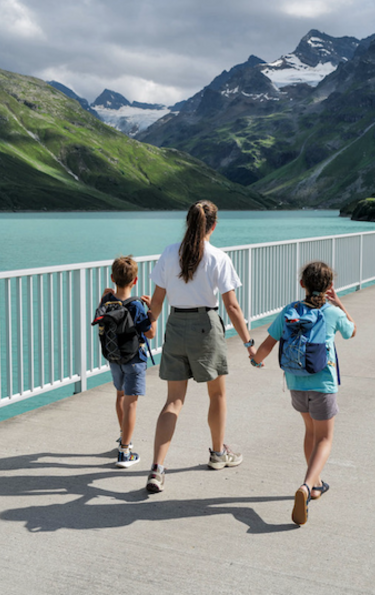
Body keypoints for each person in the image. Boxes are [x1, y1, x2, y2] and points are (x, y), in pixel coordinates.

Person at [144, 200, 258, 494]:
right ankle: (218, 454)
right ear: (214, 226)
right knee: (217, 394)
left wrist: (150, 324)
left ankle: (157, 469)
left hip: (176, 324)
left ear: (188, 222)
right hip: (206, 325)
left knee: (173, 401)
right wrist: (249, 343)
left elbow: (156, 301)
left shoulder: (170, 253)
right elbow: (231, 306)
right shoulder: (218, 257)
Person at [249, 261, 356, 526]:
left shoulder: (289, 311)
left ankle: (317, 483)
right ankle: (307, 486)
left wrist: (256, 359)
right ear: (329, 286)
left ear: (302, 285)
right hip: (323, 386)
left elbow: (268, 342)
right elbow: (352, 331)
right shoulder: (331, 313)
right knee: (325, 439)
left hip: (296, 383)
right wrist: (340, 302)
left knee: (310, 431)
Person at [98, 256, 156, 468]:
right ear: (136, 281)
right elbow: (150, 334)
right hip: (134, 360)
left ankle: (124, 435)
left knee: (120, 395)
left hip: (114, 359)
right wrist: (153, 315)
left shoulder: (107, 302)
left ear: (112, 278)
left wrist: (103, 298)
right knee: (131, 401)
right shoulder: (137, 306)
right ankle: (124, 452)